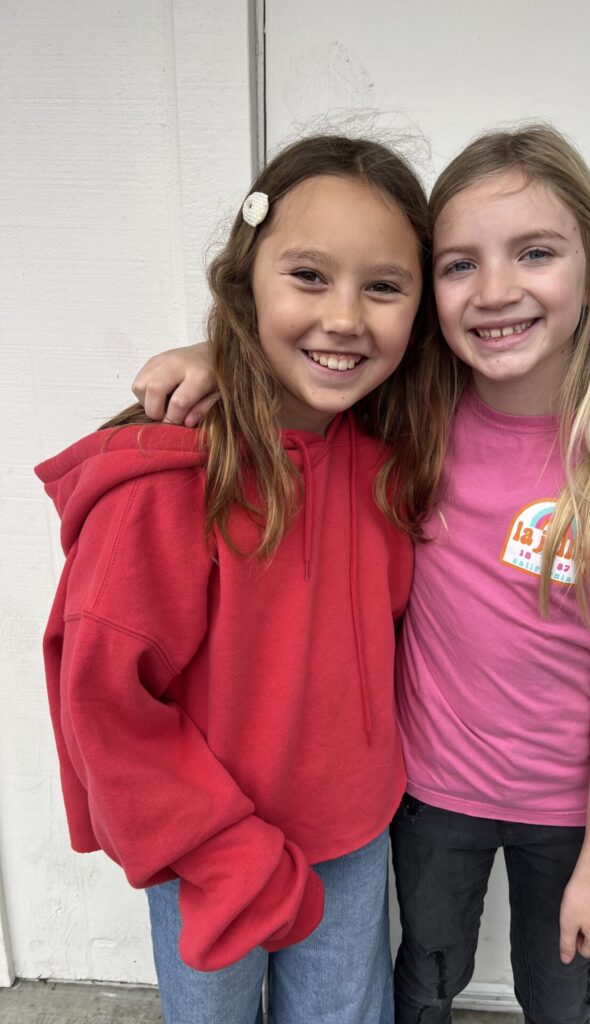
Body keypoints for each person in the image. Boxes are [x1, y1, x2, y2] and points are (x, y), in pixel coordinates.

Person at [126, 125, 590, 1024]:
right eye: (458, 264)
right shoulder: (414, 424)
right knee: (425, 979)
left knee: (559, 991)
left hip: (563, 813)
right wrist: (222, 356)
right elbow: (315, 370)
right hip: (428, 795)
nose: (496, 289)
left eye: (534, 252)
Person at [36, 134, 452, 1024]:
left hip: (350, 840)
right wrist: (224, 854)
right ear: (244, 282)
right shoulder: (169, 484)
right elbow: (104, 703)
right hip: (206, 855)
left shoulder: (392, 463)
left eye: (384, 286)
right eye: (308, 276)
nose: (345, 316)